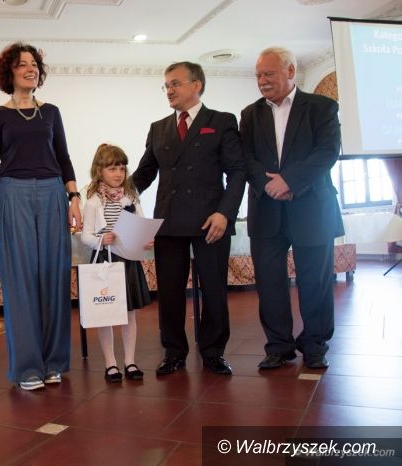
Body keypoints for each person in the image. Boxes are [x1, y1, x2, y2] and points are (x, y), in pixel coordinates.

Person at [132, 61, 246, 376]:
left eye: (175, 83)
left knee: (214, 290)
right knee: (169, 293)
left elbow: (237, 172)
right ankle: (173, 352)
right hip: (169, 222)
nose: (169, 90)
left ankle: (213, 352)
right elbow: (144, 173)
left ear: (197, 85)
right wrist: (112, 192)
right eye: (166, 85)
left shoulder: (221, 121)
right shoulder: (158, 128)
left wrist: (225, 213)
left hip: (211, 221)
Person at [0, 42, 83, 391]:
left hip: (53, 192)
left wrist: (74, 197)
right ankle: (27, 368)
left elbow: (64, 157)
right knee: (20, 282)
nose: (31, 69)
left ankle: (54, 363)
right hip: (12, 194)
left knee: (54, 276)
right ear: (8, 72)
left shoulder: (51, 112)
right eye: (23, 64)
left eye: (34, 64)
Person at [240, 47, 343, 370]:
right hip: (266, 209)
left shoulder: (322, 107)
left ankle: (315, 345)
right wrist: (269, 184)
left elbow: (327, 152)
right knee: (269, 283)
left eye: (268, 74)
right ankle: (278, 347)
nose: (262, 80)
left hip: (312, 208)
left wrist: (290, 181)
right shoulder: (250, 114)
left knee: (315, 281)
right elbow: (246, 158)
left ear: (290, 71)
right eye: (258, 75)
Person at [81, 144, 152, 383]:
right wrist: (101, 239)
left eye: (122, 168)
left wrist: (145, 239)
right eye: (112, 168)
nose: (118, 173)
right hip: (105, 261)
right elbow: (86, 235)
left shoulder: (131, 197)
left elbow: (141, 224)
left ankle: (130, 361)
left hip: (128, 261)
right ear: (99, 170)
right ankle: (110, 363)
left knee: (129, 314)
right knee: (107, 313)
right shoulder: (93, 201)